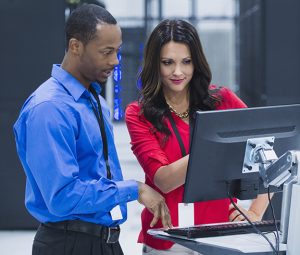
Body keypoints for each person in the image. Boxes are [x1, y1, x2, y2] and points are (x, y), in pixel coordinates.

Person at [13, 4, 171, 255]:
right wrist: (135, 189)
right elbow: (63, 196)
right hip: (68, 244)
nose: (115, 61)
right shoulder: (49, 108)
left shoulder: (95, 100)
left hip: (104, 241)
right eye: (106, 52)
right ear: (75, 46)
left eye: (117, 51)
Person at [125, 19, 271, 255]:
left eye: (186, 62)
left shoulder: (222, 101)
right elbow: (164, 179)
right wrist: (217, 147)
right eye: (167, 63)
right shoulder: (139, 113)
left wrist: (256, 211)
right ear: (155, 64)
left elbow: (270, 150)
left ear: (196, 62)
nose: (178, 72)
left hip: (220, 235)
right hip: (168, 241)